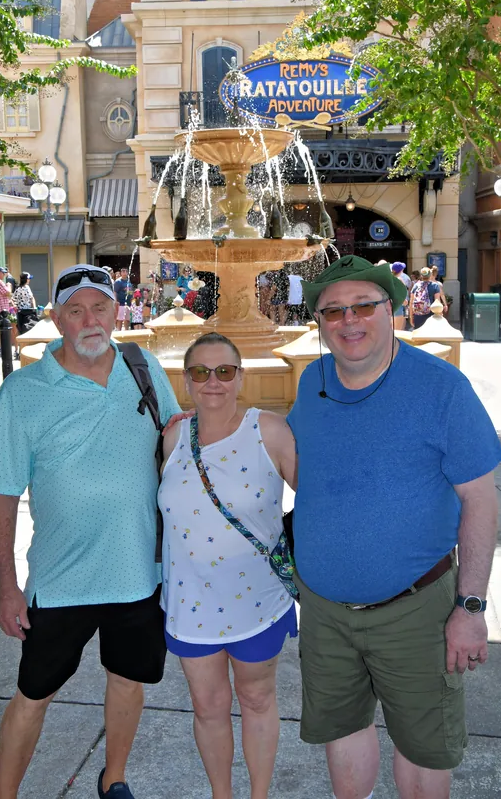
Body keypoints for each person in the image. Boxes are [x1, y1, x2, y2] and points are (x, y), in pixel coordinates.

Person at [287, 255, 501, 799]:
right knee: (342, 730)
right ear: (318, 321)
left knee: (424, 746)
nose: (349, 321)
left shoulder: (441, 388)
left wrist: (471, 608)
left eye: (364, 306)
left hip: (417, 610)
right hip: (324, 612)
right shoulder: (311, 380)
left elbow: (481, 502)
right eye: (332, 311)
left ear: (393, 310)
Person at [0, 263, 181, 799]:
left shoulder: (143, 367)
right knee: (33, 693)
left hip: (139, 571)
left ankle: (113, 779)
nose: (90, 319)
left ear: (116, 312)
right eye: (76, 309)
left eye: (100, 307)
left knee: (127, 680)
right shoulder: (22, 393)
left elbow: (177, 443)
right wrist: (6, 585)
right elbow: (2, 498)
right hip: (61, 579)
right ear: (56, 318)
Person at [158, 331, 298, 799]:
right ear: (187, 380)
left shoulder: (271, 431)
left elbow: (318, 505)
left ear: (241, 378)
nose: (212, 382)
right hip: (190, 604)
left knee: (257, 699)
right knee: (207, 707)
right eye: (200, 372)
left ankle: (258, 795)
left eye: (224, 372)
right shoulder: (174, 436)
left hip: (258, 602)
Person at [391, 262, 411, 331]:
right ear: (401, 270)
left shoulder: (389, 279)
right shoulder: (399, 279)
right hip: (399, 306)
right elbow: (399, 293)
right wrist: (404, 301)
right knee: (398, 331)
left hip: (391, 306)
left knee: (393, 329)